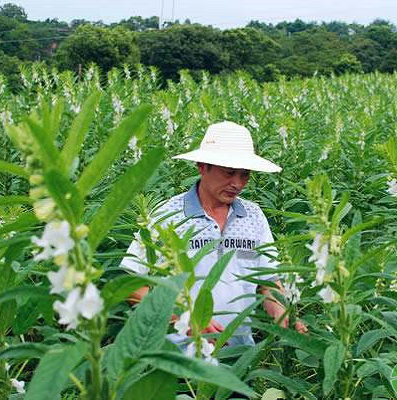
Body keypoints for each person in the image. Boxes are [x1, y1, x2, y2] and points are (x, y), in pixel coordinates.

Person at [121, 121, 307, 348]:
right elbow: (131, 286)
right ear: (202, 166)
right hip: (177, 359)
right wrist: (186, 317)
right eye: (229, 173)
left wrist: (283, 316)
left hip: (239, 356)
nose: (237, 183)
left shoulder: (253, 216)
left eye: (245, 175)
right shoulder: (167, 215)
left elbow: (268, 281)